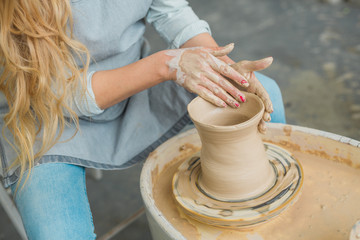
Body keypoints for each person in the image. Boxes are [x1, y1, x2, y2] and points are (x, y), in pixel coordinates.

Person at [0, 0, 286, 239]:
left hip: (134, 79)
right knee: (57, 234)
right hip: (43, 114)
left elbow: (171, 11)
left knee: (259, 96)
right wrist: (166, 65)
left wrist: (223, 70)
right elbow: (61, 94)